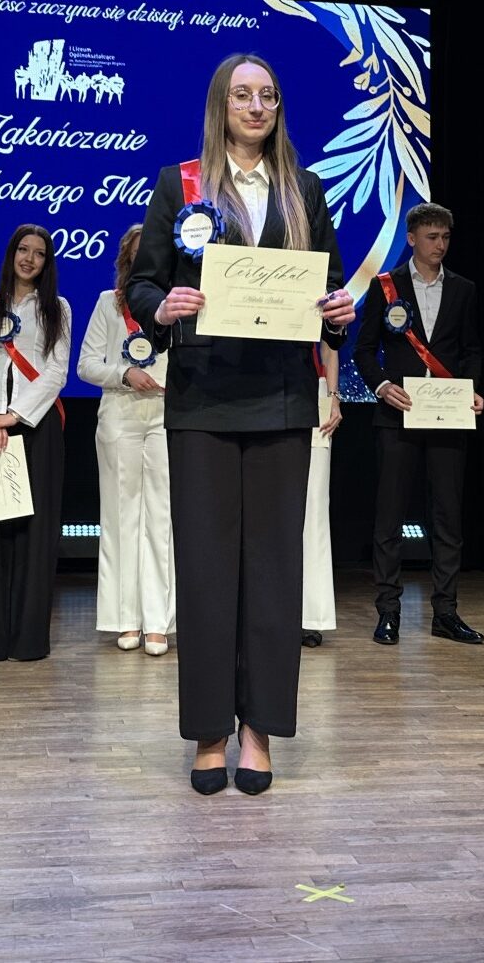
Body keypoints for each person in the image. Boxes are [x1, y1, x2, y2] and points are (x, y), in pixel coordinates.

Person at [126, 53, 355, 796]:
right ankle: (208, 733)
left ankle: (259, 732)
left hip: (282, 397)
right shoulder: (180, 183)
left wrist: (338, 312)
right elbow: (143, 283)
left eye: (268, 96)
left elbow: (329, 286)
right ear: (220, 106)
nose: (256, 107)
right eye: (242, 95)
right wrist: (161, 307)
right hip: (201, 399)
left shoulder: (303, 188)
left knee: (273, 573)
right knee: (205, 571)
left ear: (278, 107)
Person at [354, 201, 484, 648]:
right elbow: (364, 350)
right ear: (411, 239)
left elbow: (471, 350)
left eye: (445, 237)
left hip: (447, 416)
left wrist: (471, 390)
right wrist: (382, 386)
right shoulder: (386, 286)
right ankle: (388, 612)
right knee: (389, 517)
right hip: (398, 415)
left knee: (448, 518)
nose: (440, 245)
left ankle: (446, 612)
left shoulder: (463, 289)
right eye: (432, 237)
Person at [0, 225, 71, 662]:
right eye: (23, 250)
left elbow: (57, 370)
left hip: (36, 427)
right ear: (11, 255)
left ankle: (28, 641)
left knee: (35, 536)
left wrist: (14, 415)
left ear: (47, 263)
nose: (29, 259)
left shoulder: (57, 308)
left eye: (39, 253)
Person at [78, 224, 175, 655]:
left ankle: (158, 622)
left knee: (162, 518)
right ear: (127, 260)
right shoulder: (109, 303)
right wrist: (124, 374)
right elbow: (86, 365)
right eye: (138, 254)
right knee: (120, 517)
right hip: (120, 413)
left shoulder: (179, 302)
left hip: (168, 414)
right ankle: (125, 619)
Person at [301, 342, 341, 648]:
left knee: (313, 508)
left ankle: (309, 616)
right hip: (257, 393)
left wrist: (333, 396)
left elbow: (330, 346)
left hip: (311, 393)